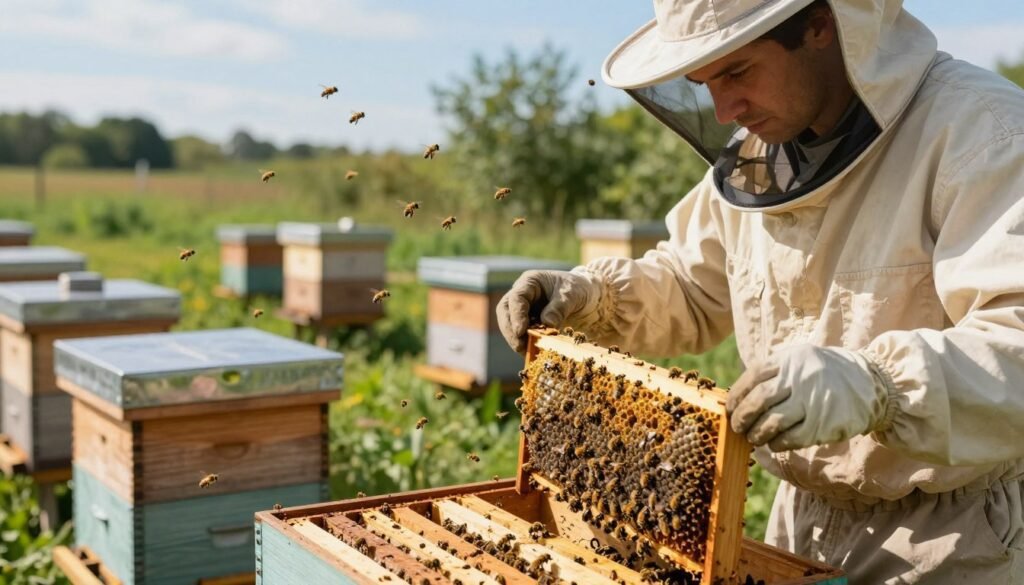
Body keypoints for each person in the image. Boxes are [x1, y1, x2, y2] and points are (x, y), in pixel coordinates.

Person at [496, 0, 1024, 582]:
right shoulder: (761, 155)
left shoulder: (983, 133)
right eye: (705, 82)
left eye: (738, 72)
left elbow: (1015, 341)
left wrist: (877, 386)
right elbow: (690, 285)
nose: (725, 111)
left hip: (951, 536)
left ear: (821, 25)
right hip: (798, 516)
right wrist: (591, 297)